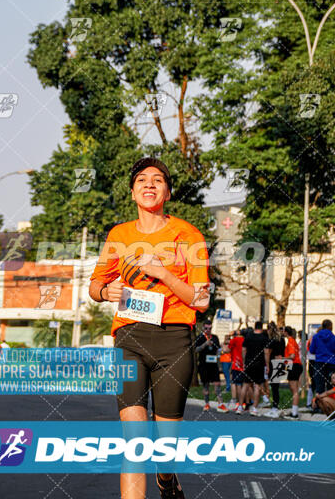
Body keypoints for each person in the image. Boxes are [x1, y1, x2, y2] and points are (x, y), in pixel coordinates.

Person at [89, 157, 210, 499]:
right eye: (142, 179)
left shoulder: (188, 235)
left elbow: (200, 301)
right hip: (129, 337)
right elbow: (95, 285)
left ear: (168, 192)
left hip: (174, 342)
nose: (149, 184)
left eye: (158, 180)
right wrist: (104, 291)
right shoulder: (119, 235)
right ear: (132, 192)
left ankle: (167, 478)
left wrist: (165, 274)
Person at [237, 321, 269, 416]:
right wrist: (267, 365)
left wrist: (244, 361)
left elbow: (243, 350)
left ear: (255, 327)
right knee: (257, 386)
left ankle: (240, 407)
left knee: (245, 385)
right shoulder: (264, 338)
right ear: (261, 328)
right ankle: (254, 408)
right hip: (259, 364)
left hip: (249, 363)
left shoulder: (248, 337)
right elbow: (266, 352)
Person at [195, 321, 227, 412]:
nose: (208, 330)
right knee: (206, 385)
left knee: (217, 384)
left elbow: (218, 350)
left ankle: (220, 404)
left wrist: (219, 361)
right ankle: (206, 404)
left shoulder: (215, 337)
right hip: (203, 365)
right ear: (203, 328)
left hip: (214, 365)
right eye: (206, 328)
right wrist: (205, 344)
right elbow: (196, 350)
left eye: (210, 328)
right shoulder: (200, 338)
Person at [310, 320, 335, 394]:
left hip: (319, 363)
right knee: (331, 385)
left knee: (319, 386)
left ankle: (319, 404)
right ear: (331, 327)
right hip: (331, 363)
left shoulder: (316, 337)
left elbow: (311, 350)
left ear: (322, 326)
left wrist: (319, 351)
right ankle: (330, 403)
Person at [265, 322, 285, 418]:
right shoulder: (282, 339)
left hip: (273, 363)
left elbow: (267, 353)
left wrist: (267, 365)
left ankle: (274, 407)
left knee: (273, 387)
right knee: (276, 386)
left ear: (269, 329)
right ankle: (276, 405)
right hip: (281, 362)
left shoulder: (271, 340)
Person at [283, 325, 303, 419]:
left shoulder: (290, 341)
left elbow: (292, 356)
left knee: (294, 390)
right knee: (292, 388)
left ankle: (295, 413)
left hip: (294, 365)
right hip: (293, 365)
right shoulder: (292, 340)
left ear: (286, 332)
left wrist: (281, 358)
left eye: (283, 331)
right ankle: (294, 410)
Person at [228, 329, 245, 411]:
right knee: (243, 384)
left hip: (236, 364)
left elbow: (228, 349)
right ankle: (244, 402)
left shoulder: (234, 340)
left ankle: (237, 401)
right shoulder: (245, 340)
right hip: (244, 364)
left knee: (235, 383)